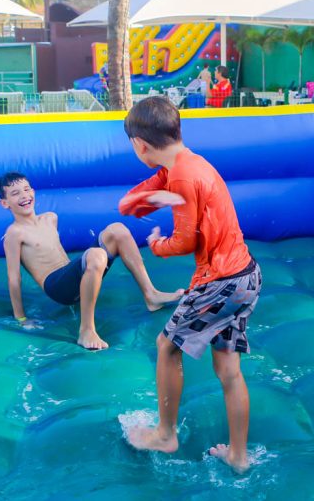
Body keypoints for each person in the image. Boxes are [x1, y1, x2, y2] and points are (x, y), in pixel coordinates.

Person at [119, 97, 261, 473]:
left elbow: (185, 241)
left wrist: (155, 245)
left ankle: (165, 435)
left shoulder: (182, 175)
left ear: (140, 145)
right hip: (246, 276)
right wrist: (142, 198)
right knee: (228, 369)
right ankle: (239, 457)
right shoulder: (188, 162)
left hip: (221, 281)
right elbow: (141, 195)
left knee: (167, 346)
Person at [0, 172, 184, 350]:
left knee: (117, 229)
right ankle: (86, 330)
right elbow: (14, 278)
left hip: (72, 274)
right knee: (95, 254)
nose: (24, 195)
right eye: (15, 193)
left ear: (34, 191)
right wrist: (21, 318)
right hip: (57, 287)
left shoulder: (50, 218)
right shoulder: (14, 234)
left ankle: (151, 295)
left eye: (27, 189)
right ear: (5, 203)